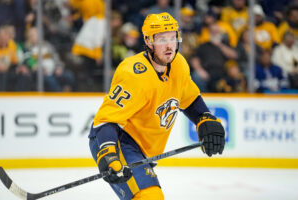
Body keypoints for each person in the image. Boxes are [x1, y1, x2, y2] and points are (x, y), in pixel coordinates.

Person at [88, 13, 225, 200]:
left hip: (144, 151)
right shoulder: (133, 73)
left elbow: (190, 99)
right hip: (117, 141)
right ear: (148, 41)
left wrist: (204, 118)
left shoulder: (179, 64)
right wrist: (108, 153)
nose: (169, 45)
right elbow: (106, 121)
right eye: (162, 39)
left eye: (172, 38)